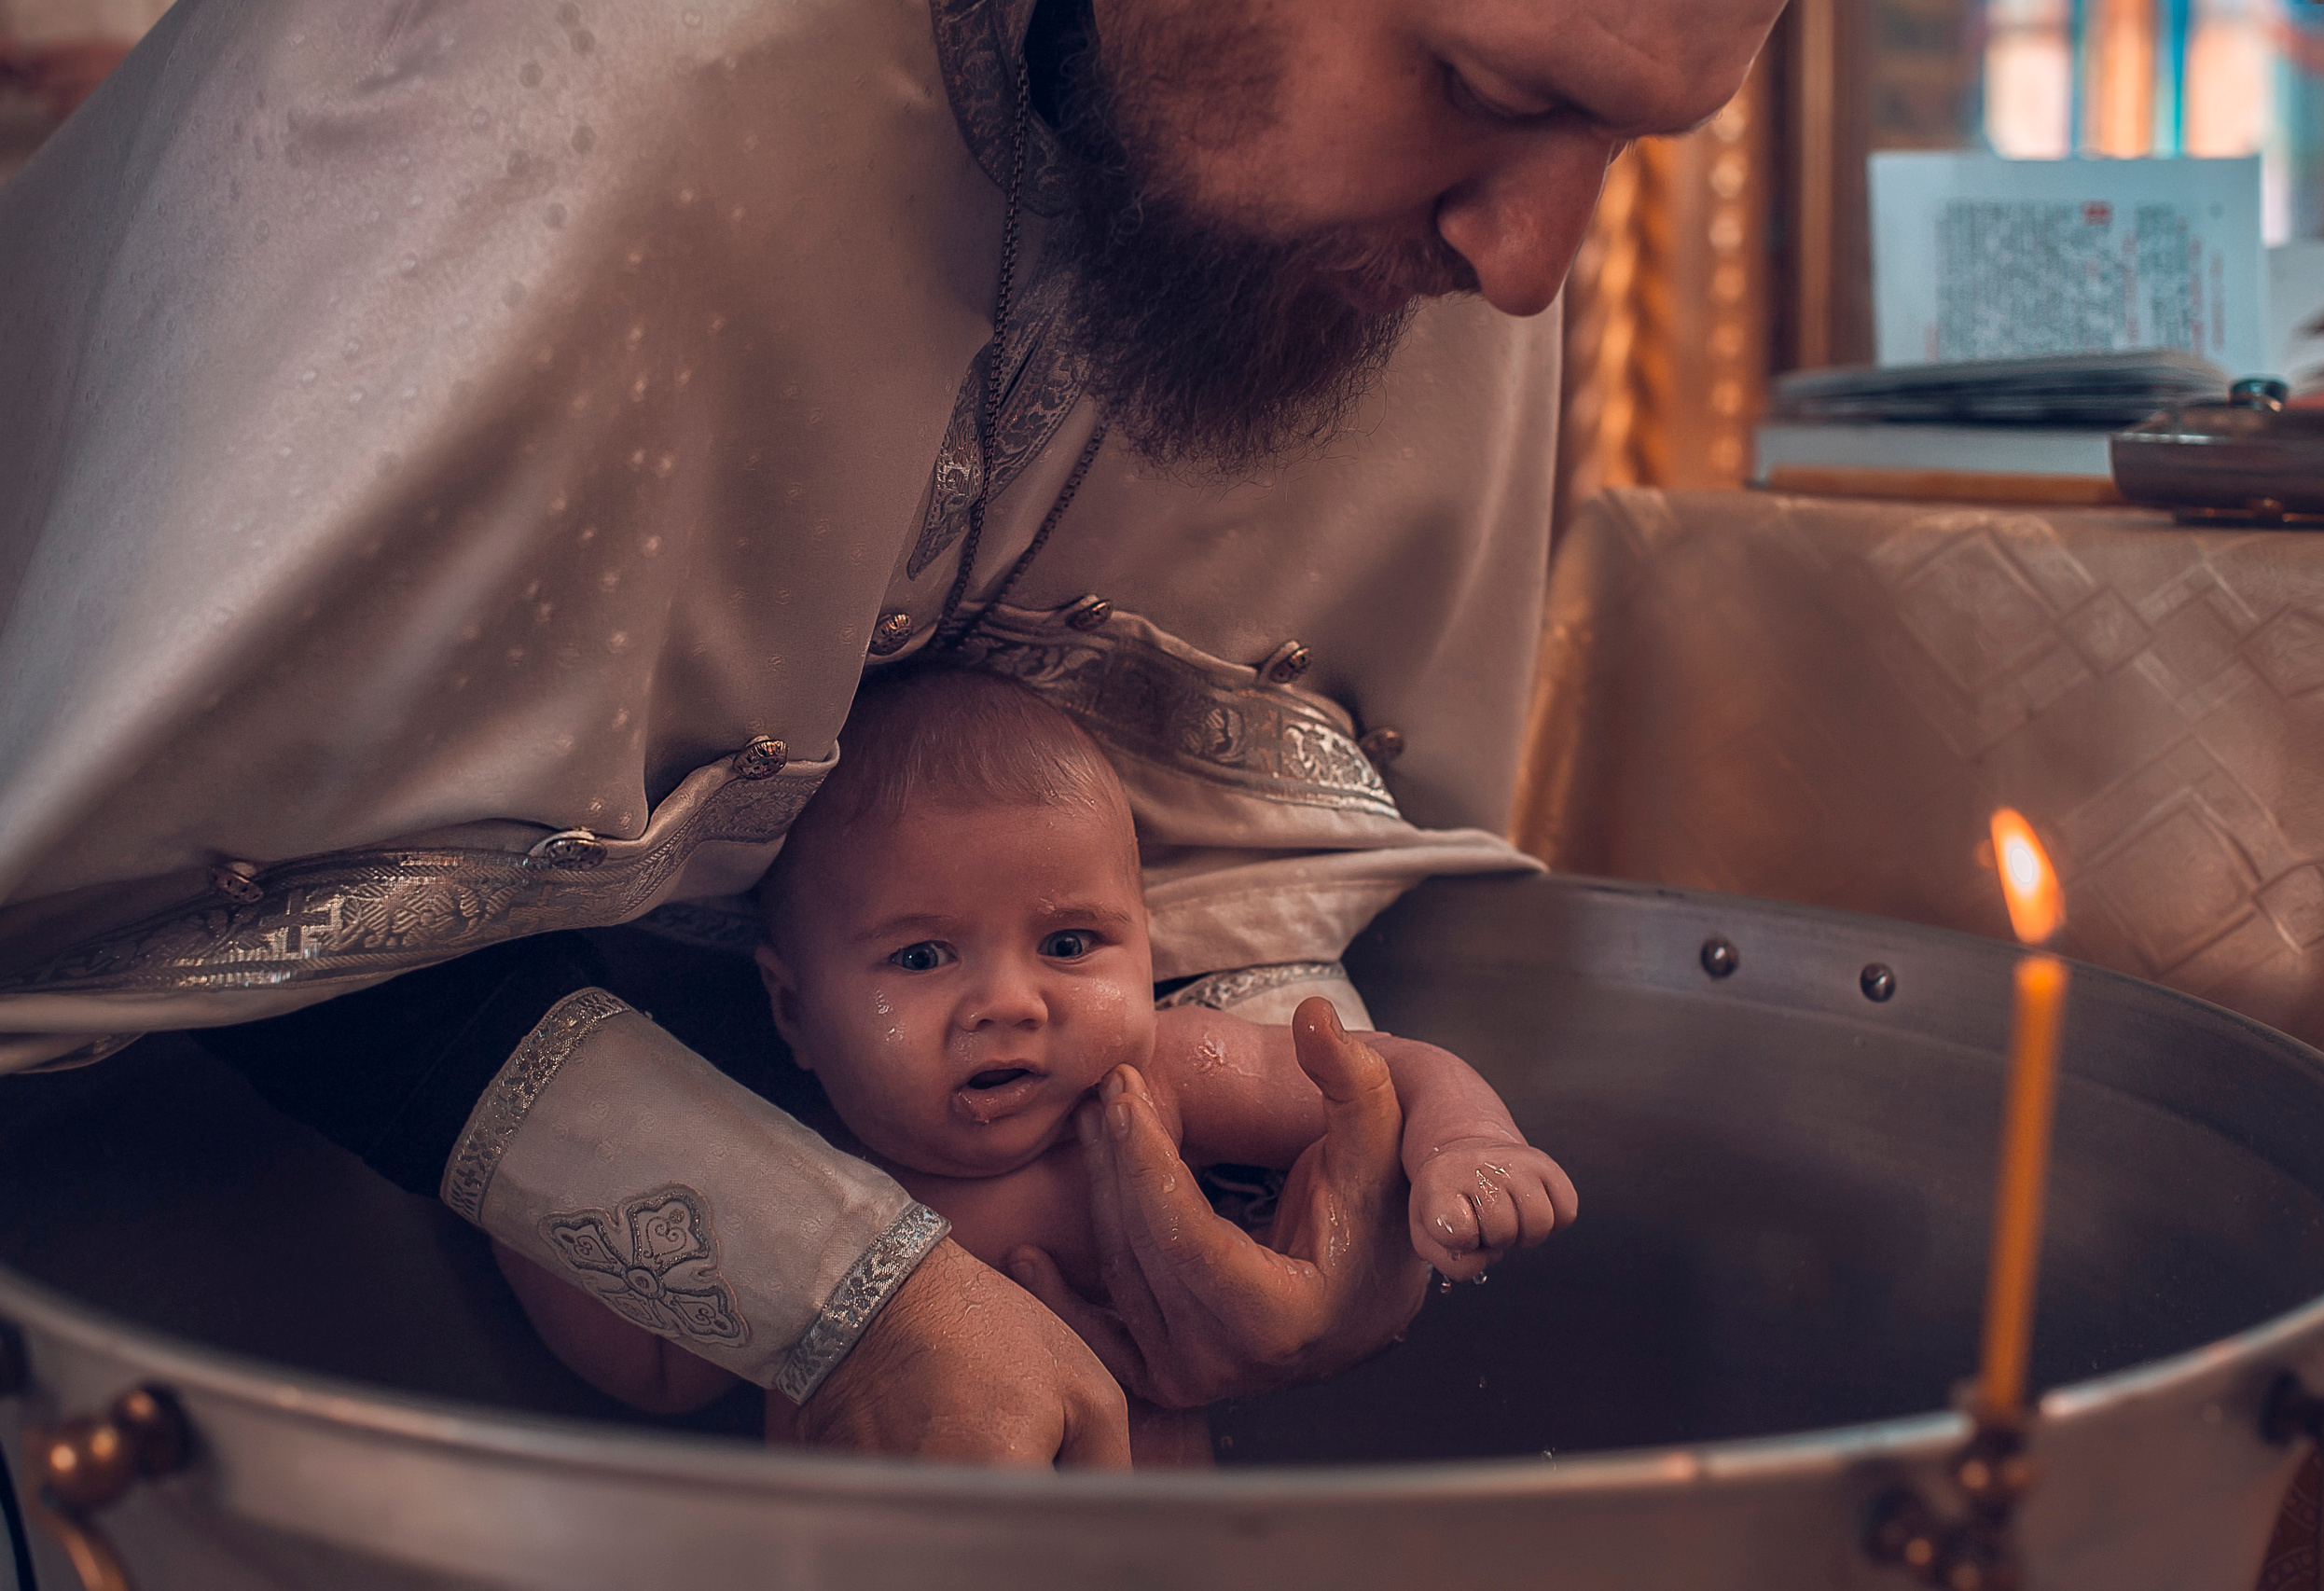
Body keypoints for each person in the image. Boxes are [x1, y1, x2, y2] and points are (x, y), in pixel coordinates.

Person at [0, 0, 1786, 1463]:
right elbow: (241, 856)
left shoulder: (1418, 200)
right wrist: (831, 1284)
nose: (1534, 267)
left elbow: (1226, 771)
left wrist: (1321, 1169)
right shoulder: (572, 99)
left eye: (1624, 146)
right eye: (1476, 89)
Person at [492, 671, 1579, 1463]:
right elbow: (654, 1364)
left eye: (1070, 942)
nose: (1012, 1000)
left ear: (1147, 940)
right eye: (921, 956)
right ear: (794, 1010)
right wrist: (518, 1184)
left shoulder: (1164, 1084)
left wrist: (1467, 1142)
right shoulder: (792, 1181)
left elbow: (1380, 1077)